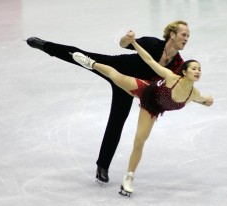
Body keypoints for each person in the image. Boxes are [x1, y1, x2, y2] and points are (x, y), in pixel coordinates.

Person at [26, 20, 190, 184]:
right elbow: (124, 44)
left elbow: (176, 86)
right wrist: (127, 38)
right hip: (118, 67)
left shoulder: (178, 64)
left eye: (188, 36)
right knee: (83, 56)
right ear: (172, 35)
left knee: (116, 123)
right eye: (183, 34)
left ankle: (102, 167)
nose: (186, 38)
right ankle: (45, 46)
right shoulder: (152, 43)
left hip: (128, 88)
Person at [70, 32, 214, 195]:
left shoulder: (193, 94)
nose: (198, 71)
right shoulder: (172, 77)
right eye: (194, 68)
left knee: (139, 141)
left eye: (200, 69)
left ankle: (127, 179)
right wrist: (136, 44)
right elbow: (149, 60)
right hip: (145, 89)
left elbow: (202, 99)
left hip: (152, 109)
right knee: (115, 75)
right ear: (184, 72)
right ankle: (91, 63)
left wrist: (207, 101)